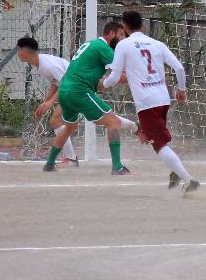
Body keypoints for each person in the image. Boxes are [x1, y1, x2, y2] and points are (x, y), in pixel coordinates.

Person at [104, 11, 199, 195]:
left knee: (159, 145)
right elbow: (179, 68)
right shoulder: (157, 44)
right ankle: (175, 172)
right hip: (163, 100)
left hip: (146, 104)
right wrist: (181, 89)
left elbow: (114, 77)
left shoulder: (124, 45)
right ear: (143, 25)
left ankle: (189, 180)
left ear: (124, 26)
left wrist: (102, 84)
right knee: (160, 139)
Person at [44, 21, 137, 174]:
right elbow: (119, 74)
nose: (122, 39)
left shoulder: (90, 44)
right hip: (79, 91)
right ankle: (118, 167)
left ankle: (49, 164)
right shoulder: (103, 47)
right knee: (114, 122)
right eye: (121, 35)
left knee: (69, 128)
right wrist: (139, 76)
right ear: (112, 34)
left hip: (64, 90)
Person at [17, 37, 85, 167]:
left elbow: (65, 82)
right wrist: (45, 103)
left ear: (24, 51)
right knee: (103, 118)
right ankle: (70, 158)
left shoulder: (47, 64)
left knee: (56, 120)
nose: (17, 53)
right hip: (72, 89)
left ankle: (71, 159)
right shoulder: (41, 64)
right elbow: (56, 83)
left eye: (18, 50)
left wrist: (49, 103)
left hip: (77, 89)